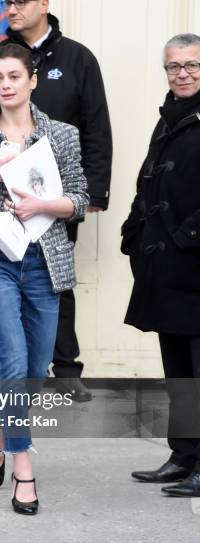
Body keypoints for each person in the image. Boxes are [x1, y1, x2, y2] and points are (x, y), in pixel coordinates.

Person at [0, 44, 88, 514]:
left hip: (45, 261)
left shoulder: (60, 134)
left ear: (32, 81)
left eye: (13, 76)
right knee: (13, 359)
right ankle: (23, 468)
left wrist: (40, 205)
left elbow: (81, 199)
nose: (4, 85)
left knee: (37, 366)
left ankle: (0, 432)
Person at [0, 0, 112, 402]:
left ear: (44, 4)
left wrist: (94, 191)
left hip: (53, 202)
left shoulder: (78, 58)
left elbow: (95, 124)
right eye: (6, 2)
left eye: (20, 1)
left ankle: (66, 368)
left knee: (55, 280)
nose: (11, 9)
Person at [121, 33, 200, 497]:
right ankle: (184, 454)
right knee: (179, 370)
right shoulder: (169, 116)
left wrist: (187, 237)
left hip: (194, 263)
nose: (183, 73)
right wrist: (135, 231)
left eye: (192, 65)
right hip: (166, 268)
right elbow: (150, 179)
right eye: (174, 66)